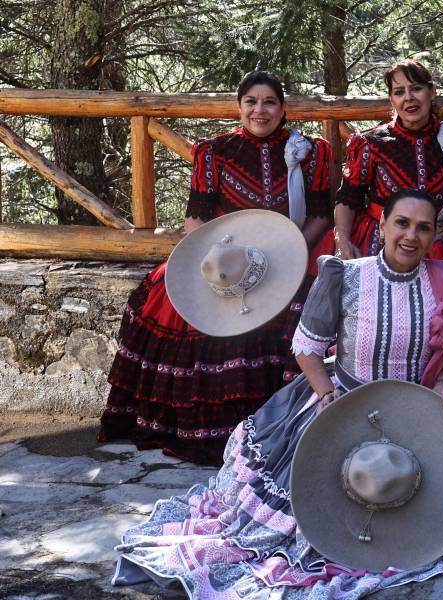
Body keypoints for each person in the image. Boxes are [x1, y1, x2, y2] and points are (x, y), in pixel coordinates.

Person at [112, 189, 443, 598]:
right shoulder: (347, 276)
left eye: (423, 228)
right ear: (382, 225)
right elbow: (306, 346)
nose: (411, 236)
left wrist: (442, 381)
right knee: (307, 513)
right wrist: (327, 395)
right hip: (344, 402)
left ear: (434, 234)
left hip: (413, 412)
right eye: (401, 223)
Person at [99, 70, 332, 465]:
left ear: (283, 109)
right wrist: (223, 264)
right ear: (238, 107)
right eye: (251, 102)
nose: (260, 110)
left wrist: (288, 256)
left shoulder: (311, 152)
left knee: (300, 306)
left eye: (269, 102)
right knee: (166, 302)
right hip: (228, 258)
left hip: (291, 257)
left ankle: (285, 425)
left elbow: (321, 215)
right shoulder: (215, 152)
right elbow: (197, 220)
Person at [311, 59, 443, 269]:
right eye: (399, 92)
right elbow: (348, 198)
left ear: (432, 92)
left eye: (416, 89)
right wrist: (342, 240)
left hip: (436, 242)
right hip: (376, 241)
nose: (409, 98)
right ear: (391, 99)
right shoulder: (372, 143)